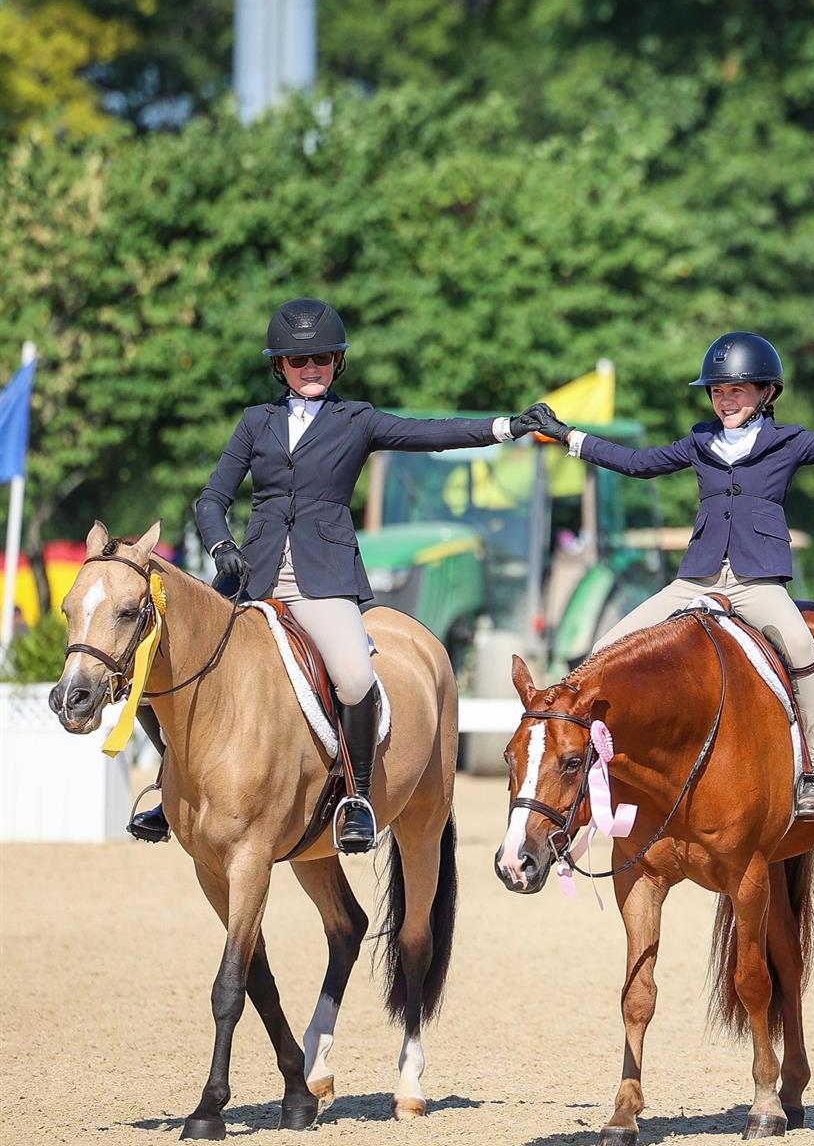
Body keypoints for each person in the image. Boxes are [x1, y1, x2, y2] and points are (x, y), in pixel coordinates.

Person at [148, 298, 533, 852]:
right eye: (299, 361)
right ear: (279, 366)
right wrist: (221, 543)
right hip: (251, 573)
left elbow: (431, 433)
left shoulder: (357, 420)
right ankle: (171, 787)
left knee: (354, 677)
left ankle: (356, 796)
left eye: (323, 359)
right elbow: (212, 497)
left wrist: (507, 427)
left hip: (320, 577)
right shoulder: (256, 422)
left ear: (338, 363)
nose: (312, 370)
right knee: (157, 663)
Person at [519, 332, 814, 820]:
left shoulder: (789, 442)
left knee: (800, 648)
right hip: (698, 578)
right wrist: (569, 436)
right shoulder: (700, 439)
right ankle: (588, 765)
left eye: (735, 391)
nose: (724, 400)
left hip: (757, 581)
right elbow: (637, 464)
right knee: (603, 653)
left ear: (766, 393)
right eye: (717, 392)